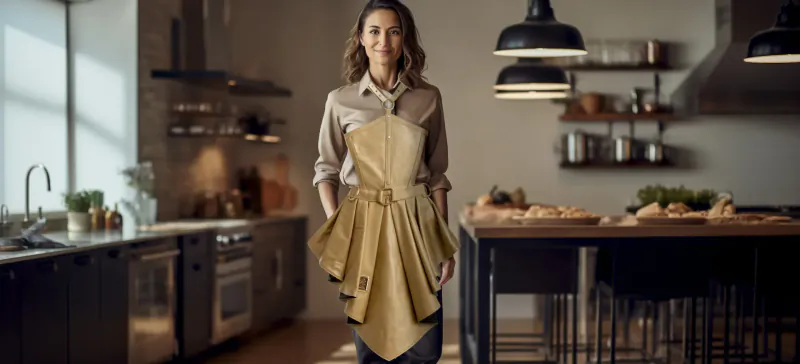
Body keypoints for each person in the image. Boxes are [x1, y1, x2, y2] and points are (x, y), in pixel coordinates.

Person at [307, 0, 460, 362]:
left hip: (418, 227)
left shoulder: (428, 98)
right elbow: (325, 170)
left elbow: (437, 175)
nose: (383, 41)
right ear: (360, 38)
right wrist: (339, 226)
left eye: (393, 31)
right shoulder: (340, 101)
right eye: (374, 31)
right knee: (372, 350)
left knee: (425, 349)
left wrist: (444, 243)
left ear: (404, 37)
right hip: (365, 232)